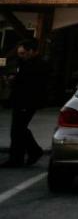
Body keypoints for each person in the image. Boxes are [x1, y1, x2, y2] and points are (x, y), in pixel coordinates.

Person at [3, 39, 48, 167]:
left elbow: (30, 83)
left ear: (31, 51)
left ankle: (21, 156)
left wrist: (14, 80)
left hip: (28, 100)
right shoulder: (23, 62)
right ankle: (26, 154)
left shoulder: (38, 65)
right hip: (21, 99)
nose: (20, 55)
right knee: (19, 129)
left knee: (18, 129)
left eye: (23, 53)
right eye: (20, 53)